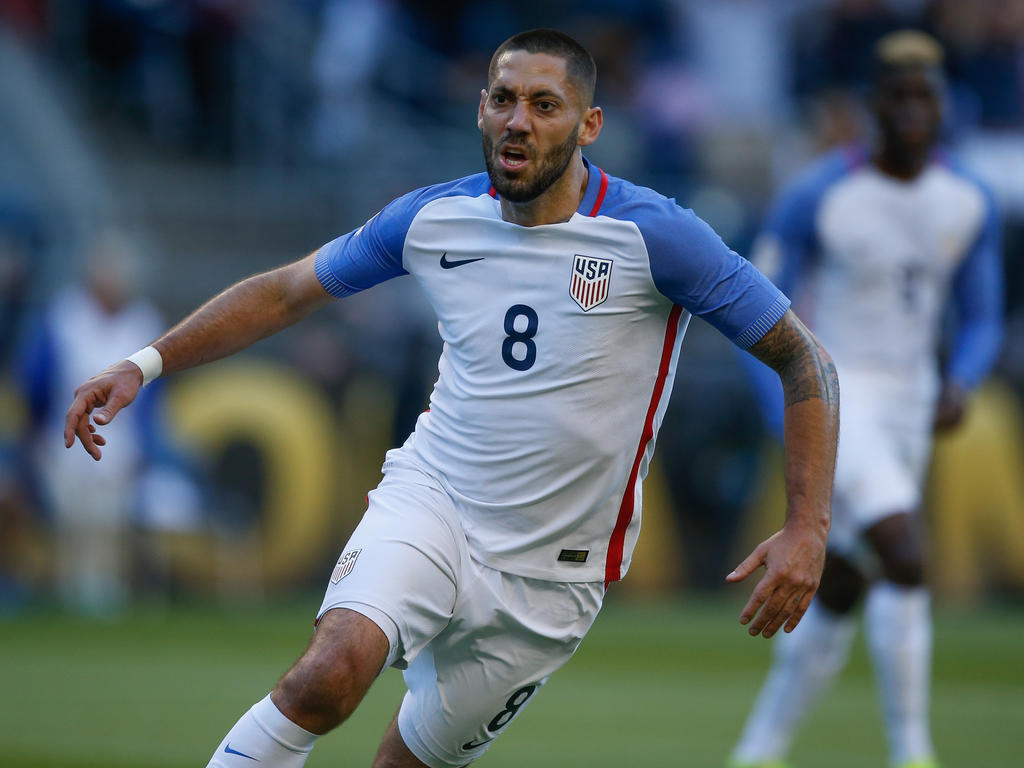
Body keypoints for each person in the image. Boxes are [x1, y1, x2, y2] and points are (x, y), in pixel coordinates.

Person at [66, 29, 838, 768]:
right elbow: (286, 293)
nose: (518, 121)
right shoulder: (433, 217)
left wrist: (807, 526)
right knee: (326, 677)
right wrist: (147, 362)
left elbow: (803, 360)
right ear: (479, 108)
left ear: (590, 123)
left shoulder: (656, 236)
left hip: (555, 577)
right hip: (436, 504)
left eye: (544, 104)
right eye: (503, 99)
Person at [728, 31, 1003, 768]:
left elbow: (980, 313)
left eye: (926, 97)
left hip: (912, 402)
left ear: (944, 108)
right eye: (898, 97)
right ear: (873, 108)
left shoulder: (966, 199)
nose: (913, 112)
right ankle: (914, 750)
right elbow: (757, 304)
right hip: (836, 396)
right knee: (906, 552)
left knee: (844, 580)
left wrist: (963, 380)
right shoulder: (819, 192)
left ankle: (758, 749)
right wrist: (781, 413)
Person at [21, 229, 165, 614]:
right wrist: (34, 431)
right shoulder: (64, 315)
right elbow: (36, 380)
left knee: (108, 525)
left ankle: (103, 599)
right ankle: (70, 595)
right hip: (64, 431)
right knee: (71, 523)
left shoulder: (142, 320)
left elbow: (154, 396)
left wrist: (146, 443)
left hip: (121, 438)